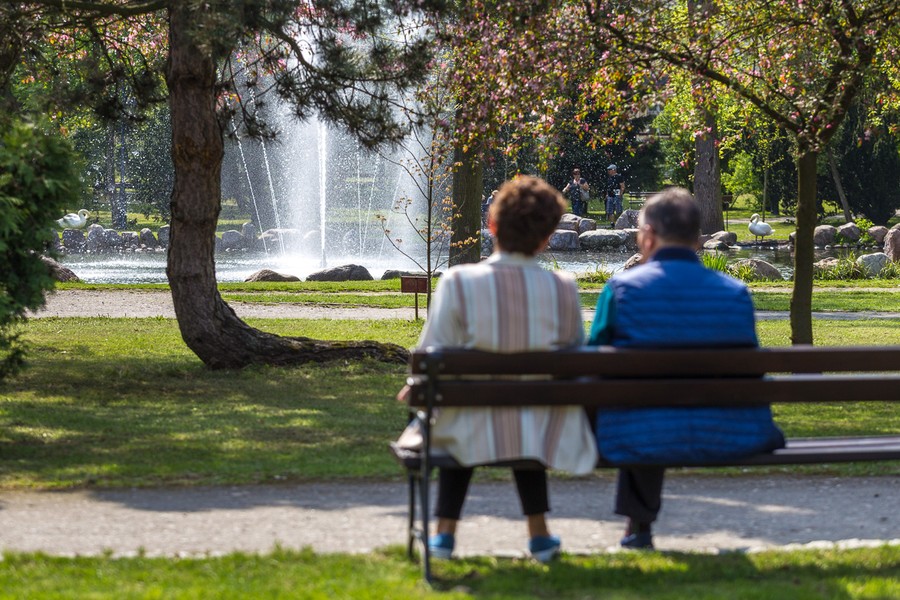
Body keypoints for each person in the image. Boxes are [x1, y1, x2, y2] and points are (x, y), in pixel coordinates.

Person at [396, 175, 597, 562]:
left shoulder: (458, 281)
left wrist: (417, 388)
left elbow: (430, 352)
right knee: (523, 414)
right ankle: (539, 536)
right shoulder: (563, 288)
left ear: (492, 225)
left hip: (465, 423)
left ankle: (443, 536)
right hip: (541, 428)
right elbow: (575, 356)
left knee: (462, 410)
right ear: (548, 236)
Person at [587, 187, 784, 550]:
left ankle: (639, 528)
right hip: (728, 430)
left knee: (638, 404)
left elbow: (591, 362)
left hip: (636, 432)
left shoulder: (621, 290)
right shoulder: (735, 292)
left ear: (647, 235)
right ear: (697, 238)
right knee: (645, 404)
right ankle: (638, 527)